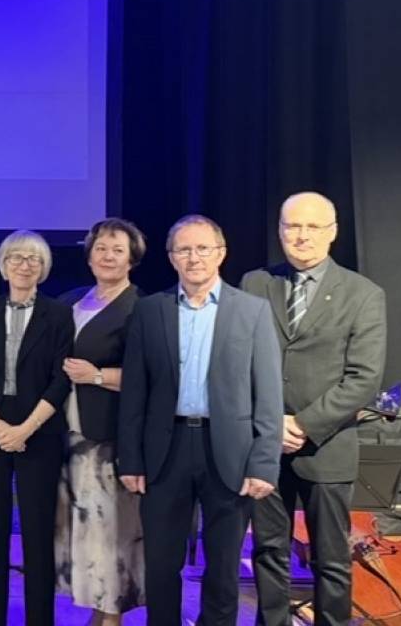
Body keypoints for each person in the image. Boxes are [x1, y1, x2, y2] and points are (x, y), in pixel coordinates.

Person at [117, 214, 282, 626]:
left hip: (229, 453)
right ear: (171, 257)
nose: (194, 258)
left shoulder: (252, 312)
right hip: (164, 451)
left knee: (223, 570)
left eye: (203, 248)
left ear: (221, 253)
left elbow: (268, 393)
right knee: (161, 565)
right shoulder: (149, 311)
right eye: (184, 249)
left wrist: (264, 462)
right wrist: (130, 459)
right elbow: (134, 392)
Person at [243, 192, 387, 626]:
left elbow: (363, 379)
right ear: (280, 231)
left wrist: (303, 424)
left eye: (312, 226)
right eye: (292, 226)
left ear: (332, 232)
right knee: (268, 551)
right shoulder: (254, 284)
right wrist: (270, 422)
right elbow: (237, 363)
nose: (301, 235)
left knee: (331, 558)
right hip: (265, 444)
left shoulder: (363, 294)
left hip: (328, 446)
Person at [0, 230, 73, 626]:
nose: (24, 265)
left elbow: (60, 380)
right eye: (16, 257)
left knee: (37, 532)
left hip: (39, 431)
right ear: (4, 264)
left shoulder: (59, 314)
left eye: (33, 259)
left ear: (43, 268)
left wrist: (25, 429)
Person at [54, 218, 147, 624]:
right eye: (101, 248)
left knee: (112, 534)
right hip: (66, 436)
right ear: (89, 255)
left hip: (109, 440)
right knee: (84, 533)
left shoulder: (140, 307)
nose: (108, 256)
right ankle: (96, 613)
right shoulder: (71, 300)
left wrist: (96, 376)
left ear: (131, 259)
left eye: (117, 250)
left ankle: (111, 617)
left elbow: (150, 376)